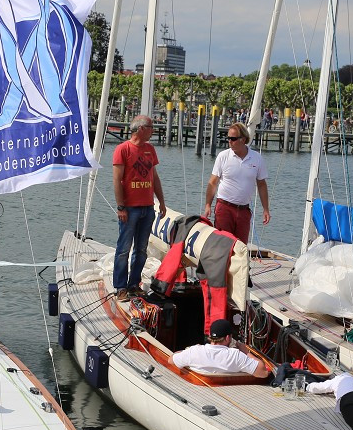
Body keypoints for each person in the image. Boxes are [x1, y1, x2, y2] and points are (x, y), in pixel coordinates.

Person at [112, 114, 166, 302]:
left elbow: (155, 177)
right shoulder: (123, 149)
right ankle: (120, 287)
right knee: (123, 249)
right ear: (141, 129)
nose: (153, 130)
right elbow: (117, 180)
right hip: (130, 208)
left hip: (147, 207)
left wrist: (161, 201)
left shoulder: (150, 149)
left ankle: (134, 285)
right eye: (151, 127)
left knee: (141, 249)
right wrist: (121, 206)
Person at [203, 122, 271, 243]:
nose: (230, 141)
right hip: (224, 208)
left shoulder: (257, 158)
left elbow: (261, 184)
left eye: (233, 139)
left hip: (244, 211)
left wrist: (266, 209)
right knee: (222, 245)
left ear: (243, 139)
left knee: (240, 247)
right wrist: (208, 205)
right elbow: (213, 183)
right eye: (228, 138)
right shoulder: (223, 156)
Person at [170, 318, 268, 377]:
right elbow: (263, 372)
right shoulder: (236, 356)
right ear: (228, 337)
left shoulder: (195, 351)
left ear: (210, 336)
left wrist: (187, 351)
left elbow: (171, 360)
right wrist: (246, 352)